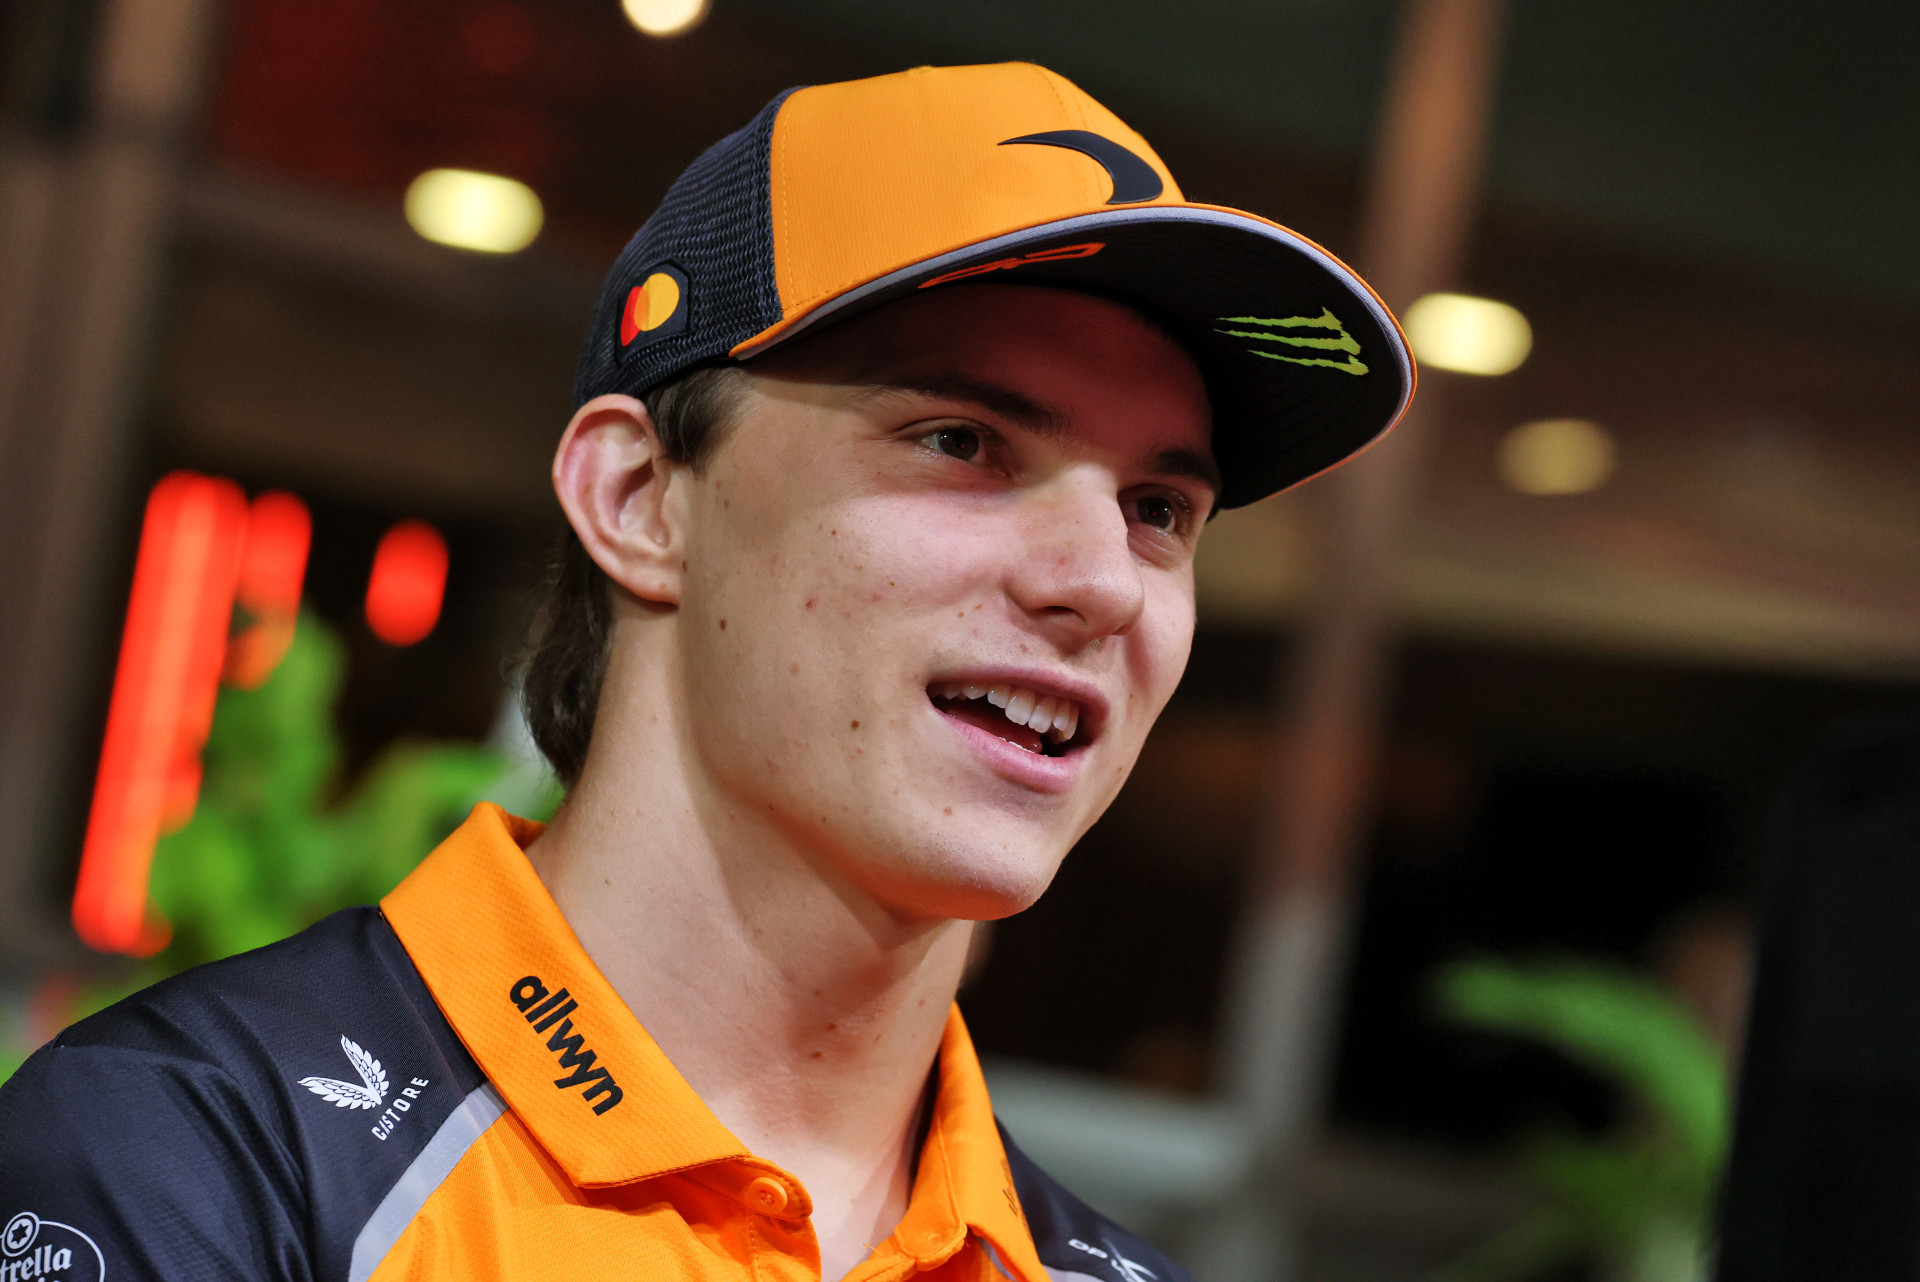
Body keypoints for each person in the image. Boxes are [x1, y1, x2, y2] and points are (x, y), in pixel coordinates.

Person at [0, 62, 1409, 1282]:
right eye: (962, 443)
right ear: (638, 499)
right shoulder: (192, 1153)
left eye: (1160, 509)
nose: (1102, 580)